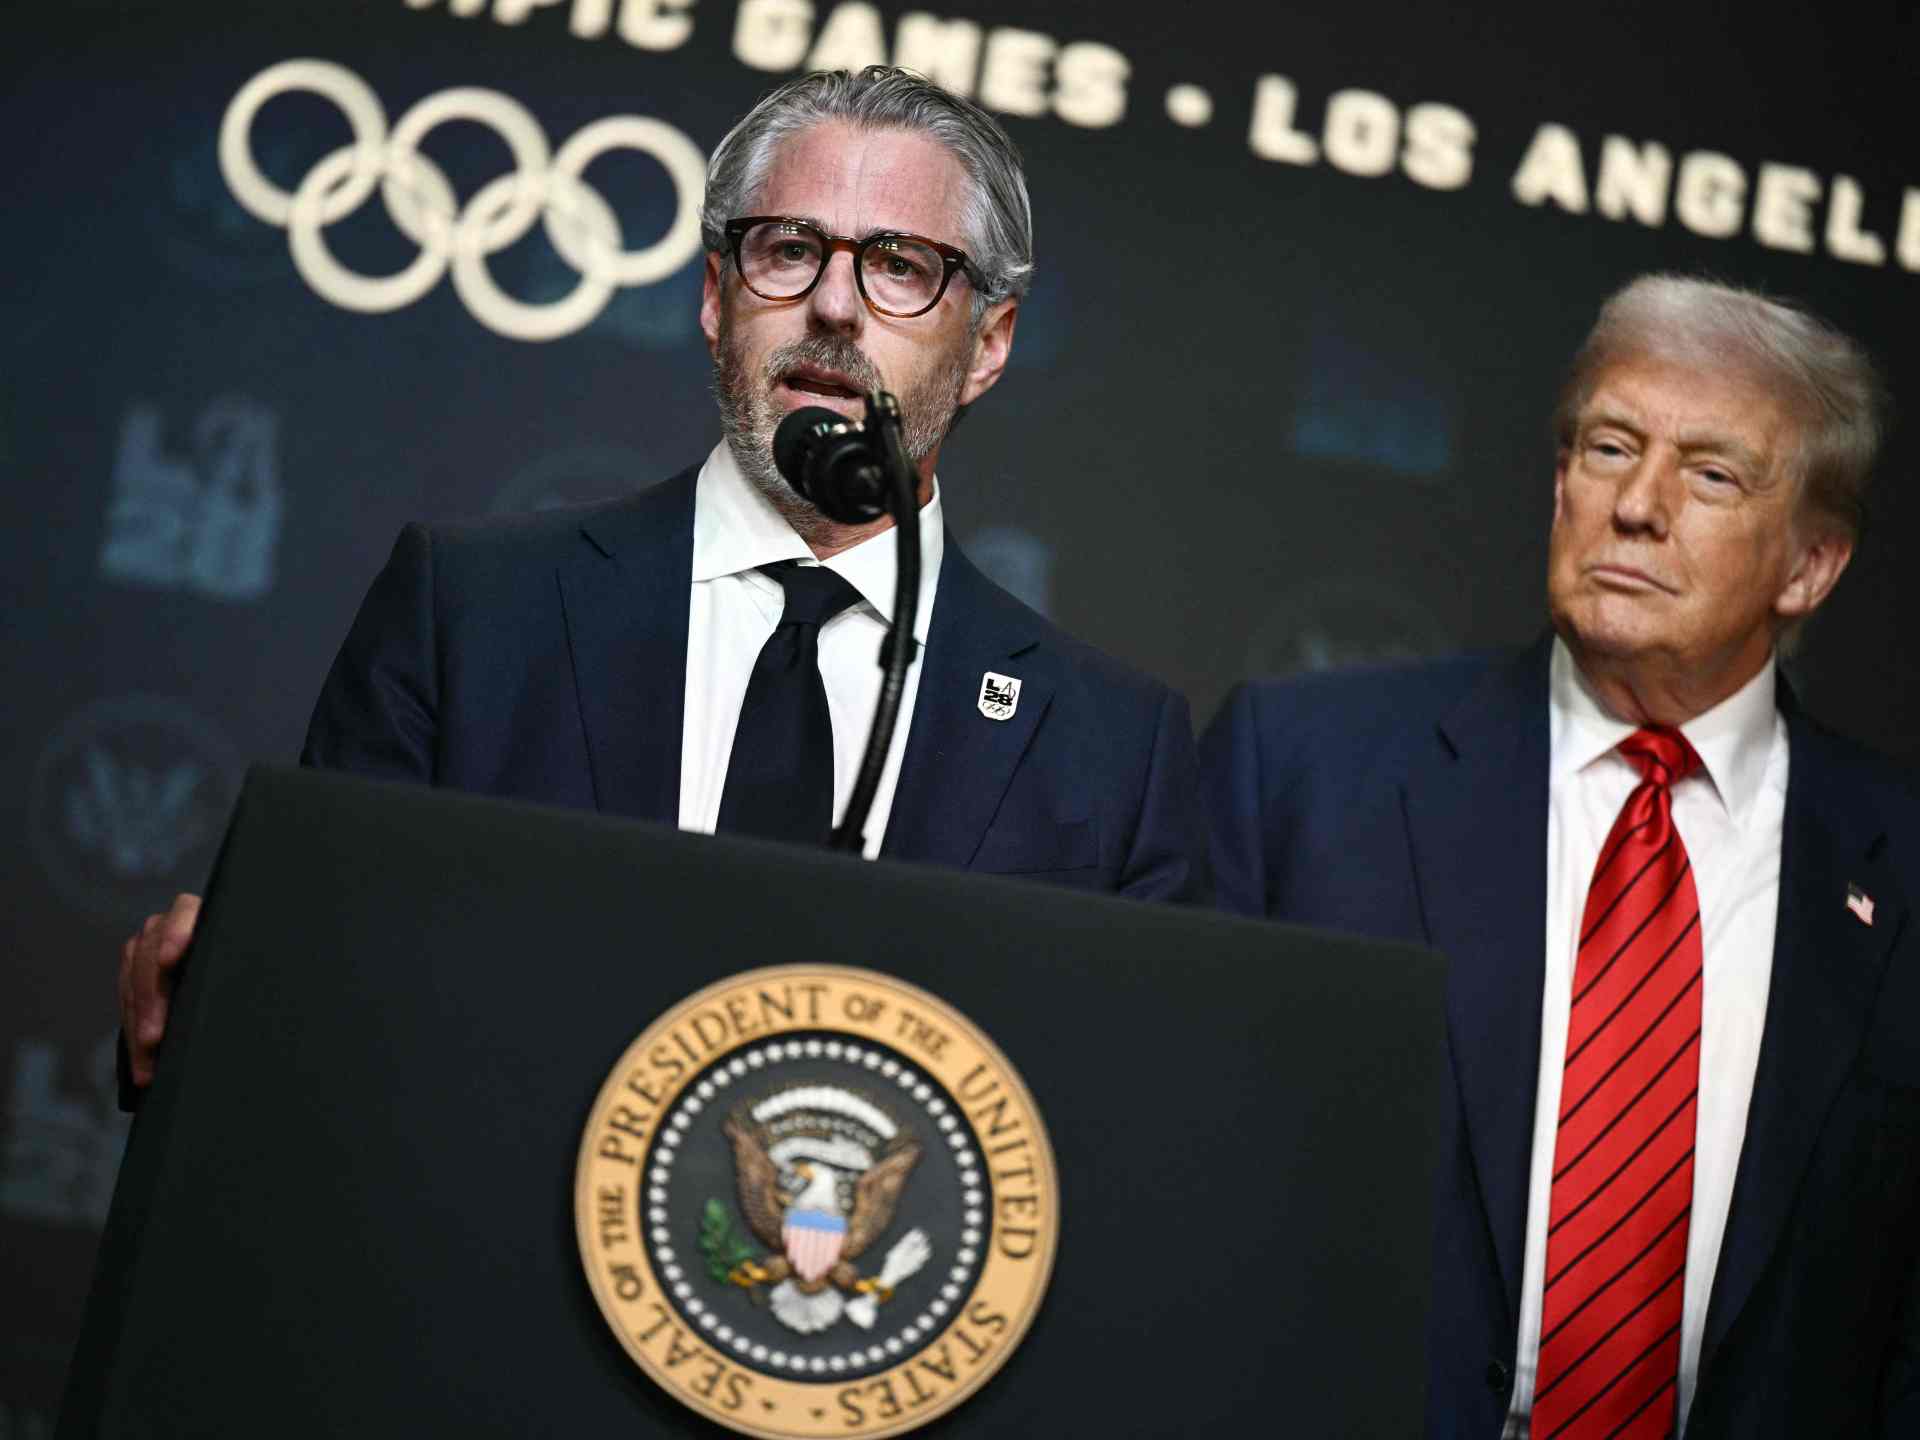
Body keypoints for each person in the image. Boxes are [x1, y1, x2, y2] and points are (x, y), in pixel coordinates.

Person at [120, 66, 1210, 1098]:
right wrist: (219, 995)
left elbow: (1133, 1120)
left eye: (899, 266)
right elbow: (308, 1005)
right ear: (715, 297)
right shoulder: (469, 612)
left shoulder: (1112, 751)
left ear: (989, 343)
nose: (834, 305)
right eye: (789, 249)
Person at [1202, 275, 1918, 1438]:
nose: (1637, 505)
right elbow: (1182, 1189)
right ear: (1558, 484)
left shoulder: (1902, 870)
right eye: (1610, 448)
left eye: (1712, 475)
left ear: (1810, 566)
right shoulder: (1304, 775)